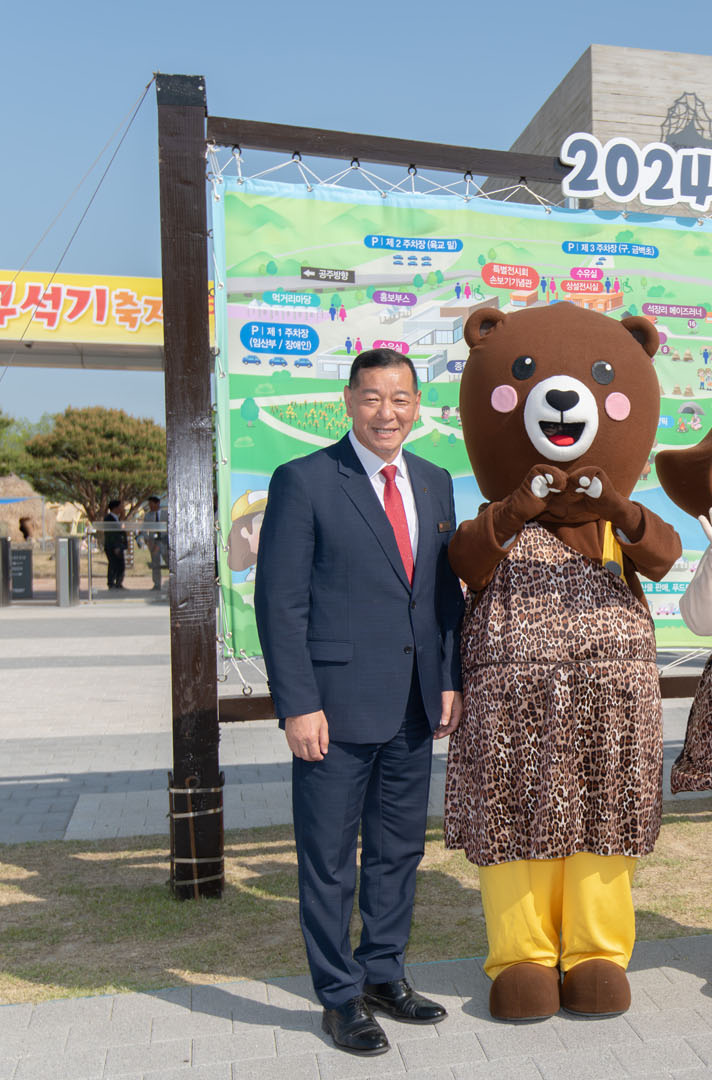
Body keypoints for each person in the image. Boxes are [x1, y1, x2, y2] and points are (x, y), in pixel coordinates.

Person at [254, 349, 464, 1057]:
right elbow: (281, 603)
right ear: (348, 402)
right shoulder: (306, 480)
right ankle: (339, 997)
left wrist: (448, 678)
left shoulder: (434, 482)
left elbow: (441, 595)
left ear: (417, 406)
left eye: (400, 399)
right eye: (372, 398)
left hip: (413, 702)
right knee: (328, 859)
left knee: (399, 851)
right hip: (334, 708)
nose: (387, 412)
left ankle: (383, 973)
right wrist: (297, 704)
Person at [142, 496, 168, 591]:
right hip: (154, 542)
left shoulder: (166, 514)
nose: (150, 506)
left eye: (152, 504)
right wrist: (147, 540)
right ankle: (157, 584)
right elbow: (144, 529)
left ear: (158, 503)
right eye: (149, 504)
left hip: (165, 542)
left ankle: (173, 582)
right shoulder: (148, 516)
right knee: (155, 563)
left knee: (169, 561)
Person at [101, 500, 126, 591]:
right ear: (115, 508)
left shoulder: (117, 519)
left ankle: (119, 583)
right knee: (113, 564)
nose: (122, 509)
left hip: (119, 545)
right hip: (112, 546)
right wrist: (115, 546)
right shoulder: (109, 518)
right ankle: (111, 583)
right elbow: (111, 534)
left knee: (120, 565)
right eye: (120, 507)